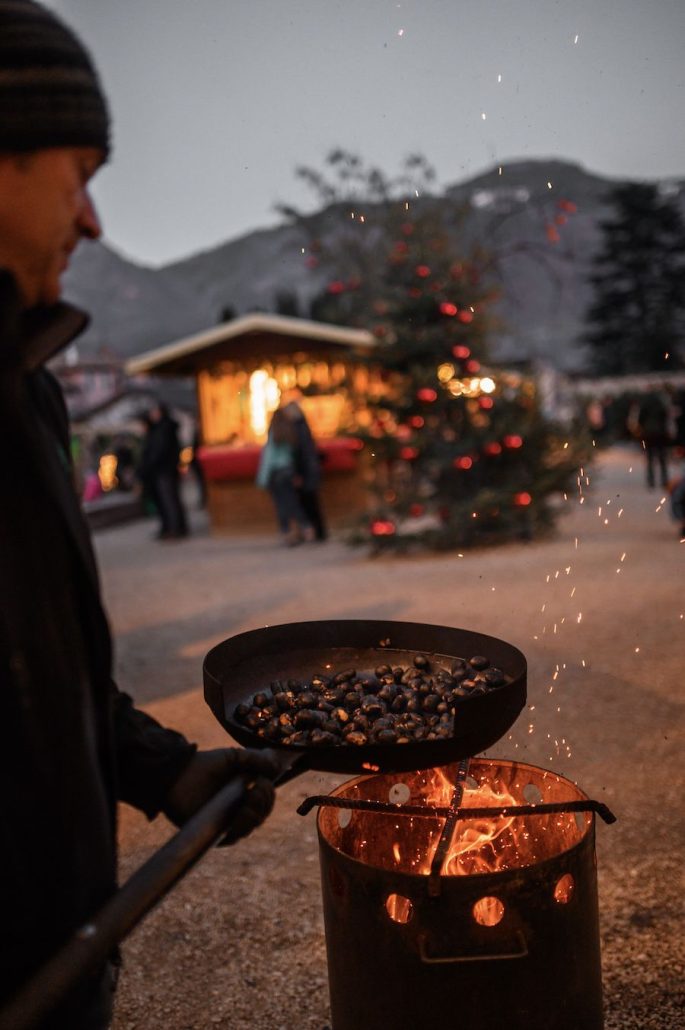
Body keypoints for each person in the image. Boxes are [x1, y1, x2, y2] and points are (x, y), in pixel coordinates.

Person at [0, 4, 277, 1028]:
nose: (92, 221)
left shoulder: (28, 387)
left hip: (63, 961)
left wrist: (160, 767)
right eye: (76, 175)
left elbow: (39, 660)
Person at [256, 407, 314, 545]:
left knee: (282, 504)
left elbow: (268, 458)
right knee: (292, 502)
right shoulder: (290, 432)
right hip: (288, 470)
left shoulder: (274, 434)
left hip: (276, 473)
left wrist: (262, 479)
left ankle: (287, 532)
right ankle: (306, 528)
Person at [138, 402, 189, 539]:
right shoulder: (160, 429)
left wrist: (150, 465)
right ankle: (172, 527)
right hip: (163, 470)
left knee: (169, 500)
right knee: (168, 500)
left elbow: (159, 452)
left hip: (164, 470)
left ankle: (175, 528)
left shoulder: (164, 429)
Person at [282, 392, 328, 541]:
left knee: (308, 503)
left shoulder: (297, 429)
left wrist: (298, 473)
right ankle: (318, 532)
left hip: (306, 472)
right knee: (311, 502)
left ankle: (316, 532)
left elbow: (300, 453)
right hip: (310, 470)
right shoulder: (303, 427)